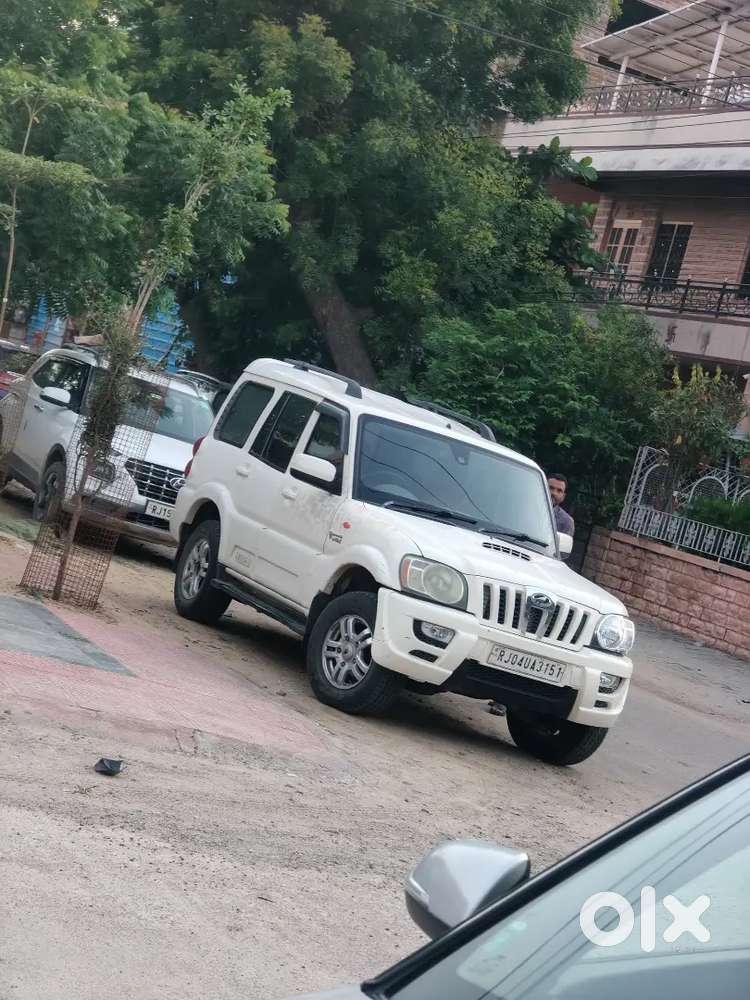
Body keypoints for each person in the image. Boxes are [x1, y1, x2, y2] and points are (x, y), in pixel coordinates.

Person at [548, 473, 574, 537]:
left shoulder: (566, 522)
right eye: (551, 488)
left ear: (563, 496)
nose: (554, 493)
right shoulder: (527, 507)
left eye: (559, 490)